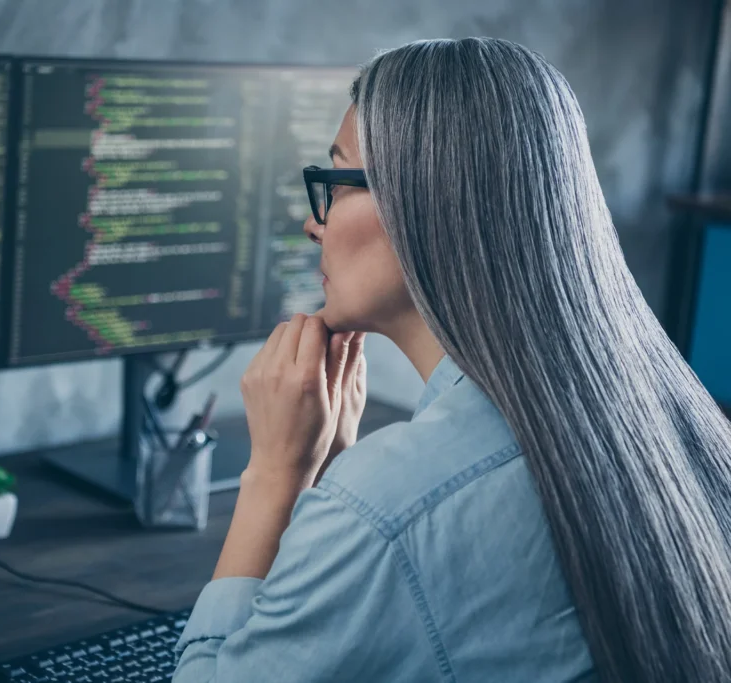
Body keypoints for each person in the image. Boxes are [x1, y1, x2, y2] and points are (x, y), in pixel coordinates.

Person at [171, 37, 731, 683]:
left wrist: (275, 474)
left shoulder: (385, 508)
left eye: (333, 181)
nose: (312, 225)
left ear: (425, 203)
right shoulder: (683, 425)